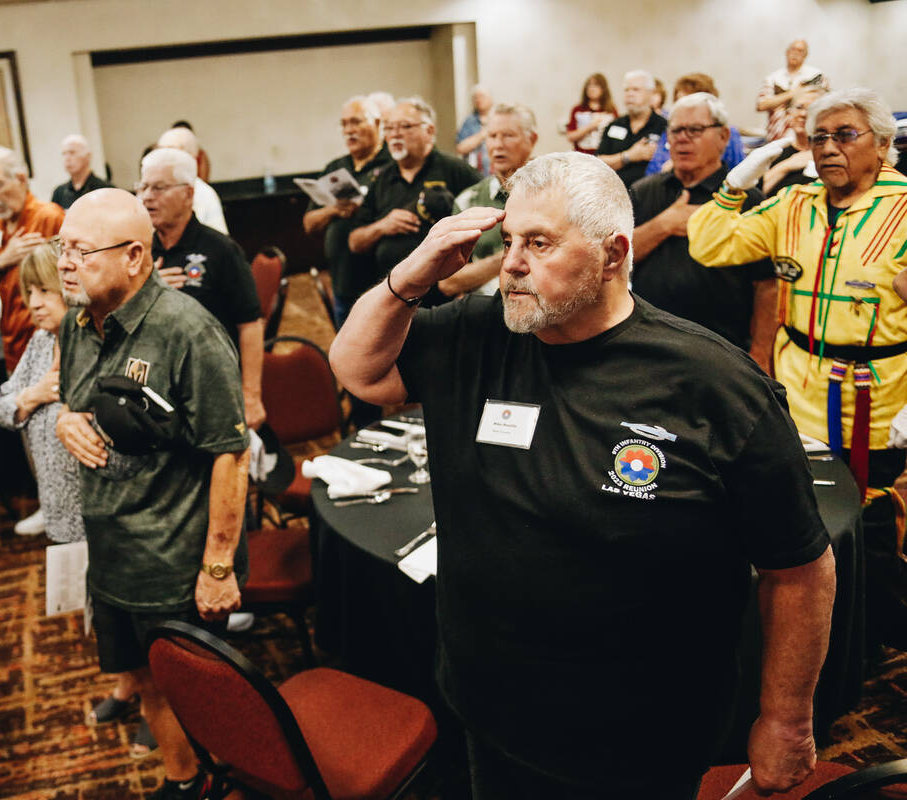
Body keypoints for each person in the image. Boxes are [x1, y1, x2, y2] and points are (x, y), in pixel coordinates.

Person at [330, 151, 836, 799]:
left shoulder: (712, 382)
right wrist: (408, 277)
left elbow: (798, 567)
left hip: (635, 732)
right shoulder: (482, 331)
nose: (511, 262)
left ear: (615, 252)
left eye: (539, 243)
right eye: (508, 239)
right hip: (491, 704)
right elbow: (359, 372)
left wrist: (787, 719)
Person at [689, 87, 907, 652]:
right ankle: (811, 625)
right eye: (819, 137)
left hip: (881, 393)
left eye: (845, 135)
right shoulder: (794, 205)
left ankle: (872, 632)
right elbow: (710, 245)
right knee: (806, 506)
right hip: (798, 383)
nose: (828, 147)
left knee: (874, 515)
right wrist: (739, 180)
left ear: (882, 145)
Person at [53, 188, 249, 800]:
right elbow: (75, 404)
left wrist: (218, 565)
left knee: (198, 690)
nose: (64, 263)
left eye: (80, 251)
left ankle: (226, 777)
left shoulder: (188, 332)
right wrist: (63, 418)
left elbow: (231, 455)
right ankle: (182, 779)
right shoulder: (76, 321)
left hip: (173, 553)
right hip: (111, 546)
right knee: (141, 678)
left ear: (135, 257)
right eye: (61, 248)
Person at [630, 93, 773, 352]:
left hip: (722, 348)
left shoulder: (747, 199)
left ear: (723, 137)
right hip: (647, 343)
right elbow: (618, 259)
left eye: (695, 130)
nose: (683, 138)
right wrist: (664, 225)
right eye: (675, 130)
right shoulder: (643, 191)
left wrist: (762, 351)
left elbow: (767, 285)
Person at [140, 147, 265, 429]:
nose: (147, 197)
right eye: (143, 186)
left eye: (159, 188)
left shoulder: (221, 250)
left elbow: (251, 324)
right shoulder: (140, 252)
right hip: (158, 392)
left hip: (213, 386)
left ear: (188, 194)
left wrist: (251, 396)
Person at [0, 245, 84, 544]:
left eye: (44, 290)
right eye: (29, 292)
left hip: (93, 510)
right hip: (54, 501)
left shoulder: (92, 344)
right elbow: (2, 407)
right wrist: (34, 395)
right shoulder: (41, 341)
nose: (34, 303)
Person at [348, 96, 481, 302]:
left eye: (404, 127)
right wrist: (382, 226)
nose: (395, 135)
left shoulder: (456, 170)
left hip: (447, 301)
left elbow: (487, 224)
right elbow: (354, 241)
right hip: (394, 299)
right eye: (389, 128)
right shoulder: (381, 179)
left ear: (429, 131)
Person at [0, 146, 65, 373]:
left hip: (50, 346)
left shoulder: (49, 217)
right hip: (13, 348)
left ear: (21, 179)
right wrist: (3, 260)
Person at [302, 94, 393, 326]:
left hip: (383, 285)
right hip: (343, 285)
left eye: (356, 122)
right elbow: (309, 223)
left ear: (377, 123)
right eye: (344, 124)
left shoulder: (392, 164)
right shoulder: (336, 168)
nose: (349, 130)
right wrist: (334, 210)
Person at [445, 103, 538, 296]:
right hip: (486, 312)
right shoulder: (468, 201)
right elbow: (449, 283)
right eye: (492, 136)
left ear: (532, 139)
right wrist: (510, 255)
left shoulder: (552, 194)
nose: (498, 145)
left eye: (508, 135)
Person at [645, 73, 746, 177]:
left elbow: (741, 175)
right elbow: (652, 172)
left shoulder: (725, 133)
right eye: (681, 103)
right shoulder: (671, 132)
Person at [595, 70, 667, 187]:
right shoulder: (614, 125)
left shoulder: (664, 126)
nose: (630, 94)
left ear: (651, 94)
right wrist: (628, 156)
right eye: (626, 90)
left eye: (636, 90)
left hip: (650, 196)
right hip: (614, 193)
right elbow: (597, 163)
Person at [154, 127, 228, 235]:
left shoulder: (205, 194)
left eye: (171, 153)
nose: (162, 160)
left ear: (192, 158)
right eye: (160, 152)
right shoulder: (148, 190)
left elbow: (220, 243)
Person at [757, 39, 829, 142]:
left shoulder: (816, 75)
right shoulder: (773, 78)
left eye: (800, 51)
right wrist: (794, 93)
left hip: (807, 138)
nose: (795, 53)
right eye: (793, 49)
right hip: (777, 136)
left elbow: (824, 104)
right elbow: (761, 105)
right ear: (787, 52)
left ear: (805, 55)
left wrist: (779, 99)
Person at [762, 89, 825, 196]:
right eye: (799, 107)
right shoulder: (773, 152)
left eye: (811, 109)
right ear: (788, 114)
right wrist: (785, 166)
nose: (804, 114)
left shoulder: (831, 154)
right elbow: (756, 195)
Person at [51, 134, 111, 210]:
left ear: (88, 157)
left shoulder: (105, 189)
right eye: (64, 154)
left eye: (72, 153)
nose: (67, 158)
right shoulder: (59, 193)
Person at [565, 73, 617, 154]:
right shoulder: (578, 110)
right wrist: (590, 126)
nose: (591, 88)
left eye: (596, 85)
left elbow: (617, 135)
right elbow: (570, 136)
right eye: (589, 85)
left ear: (603, 89)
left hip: (605, 156)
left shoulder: (611, 110)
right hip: (582, 155)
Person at [455, 84, 494, 176]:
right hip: (474, 173)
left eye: (482, 96)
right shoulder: (469, 122)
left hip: (495, 173)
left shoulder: (498, 119)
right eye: (475, 97)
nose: (478, 100)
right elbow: (461, 148)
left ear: (491, 99)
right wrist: (482, 135)